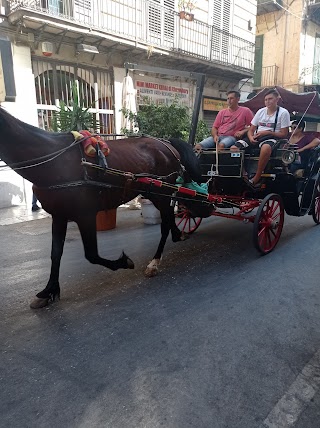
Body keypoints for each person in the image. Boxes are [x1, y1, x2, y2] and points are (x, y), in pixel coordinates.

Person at [231, 88, 290, 185]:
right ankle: (243, 174)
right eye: (266, 99)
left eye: (270, 99)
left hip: (272, 138)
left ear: (277, 99)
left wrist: (268, 133)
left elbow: (284, 134)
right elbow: (251, 129)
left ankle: (257, 176)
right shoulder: (260, 111)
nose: (267, 101)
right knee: (233, 148)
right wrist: (250, 137)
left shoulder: (283, 113)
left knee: (266, 147)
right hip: (256, 137)